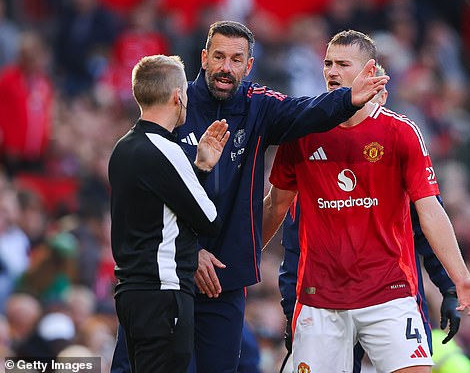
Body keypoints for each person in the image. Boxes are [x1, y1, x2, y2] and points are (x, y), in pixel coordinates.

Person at [110, 20, 388, 373]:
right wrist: (190, 252)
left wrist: (348, 99)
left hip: (224, 281)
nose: (226, 68)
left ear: (249, 65)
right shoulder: (175, 105)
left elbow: (306, 111)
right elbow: (143, 193)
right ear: (204, 58)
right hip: (168, 275)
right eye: (219, 57)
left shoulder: (259, 105)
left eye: (236, 59)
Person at [262, 29, 470, 373]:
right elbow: (275, 206)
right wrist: (241, 260)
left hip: (389, 293)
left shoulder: (401, 134)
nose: (332, 72)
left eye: (343, 64)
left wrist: (458, 279)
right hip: (320, 299)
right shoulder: (302, 134)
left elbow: (430, 212)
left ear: (370, 72)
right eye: (327, 63)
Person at [108, 54, 230, 373]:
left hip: (130, 293)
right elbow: (209, 219)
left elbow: (165, 206)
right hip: (163, 293)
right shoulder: (167, 149)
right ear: (178, 96)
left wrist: (199, 168)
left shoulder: (123, 147)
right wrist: (201, 169)